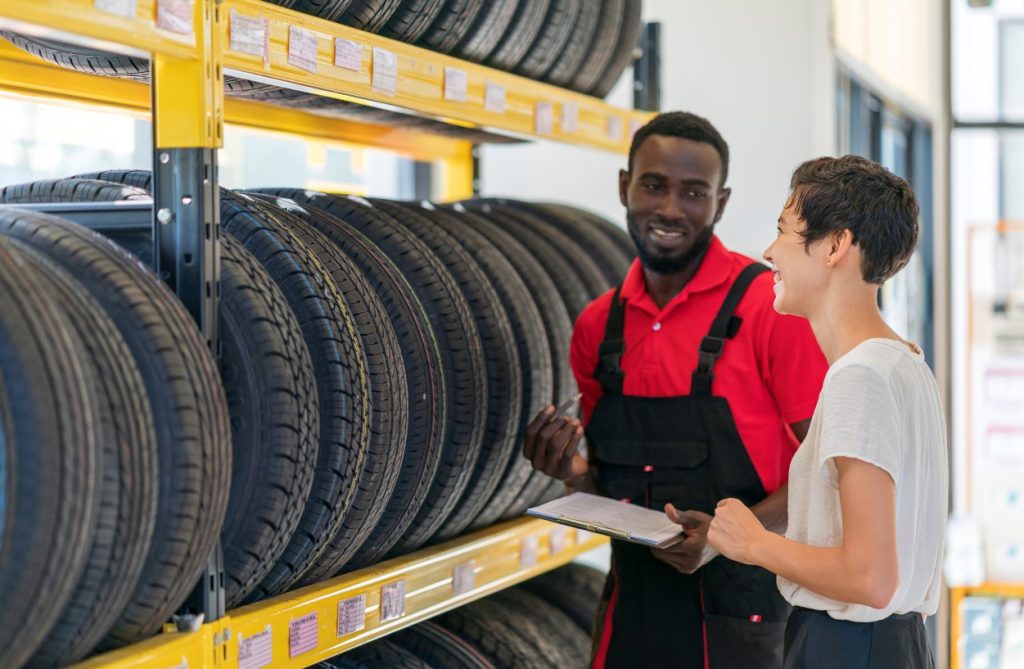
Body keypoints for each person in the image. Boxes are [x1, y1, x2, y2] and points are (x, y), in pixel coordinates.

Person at [523, 111, 829, 668]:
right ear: (624, 186)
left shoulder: (768, 309)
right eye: (653, 185)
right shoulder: (598, 327)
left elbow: (826, 470)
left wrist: (724, 537)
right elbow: (609, 487)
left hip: (747, 625)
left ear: (720, 202)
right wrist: (573, 473)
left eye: (693, 192)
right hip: (631, 620)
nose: (669, 209)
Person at [705, 155, 948, 668]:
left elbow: (870, 578)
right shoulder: (904, 364)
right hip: (895, 645)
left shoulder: (859, 377)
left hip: (848, 647)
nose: (769, 252)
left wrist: (752, 544)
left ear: (836, 245)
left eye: (783, 231)